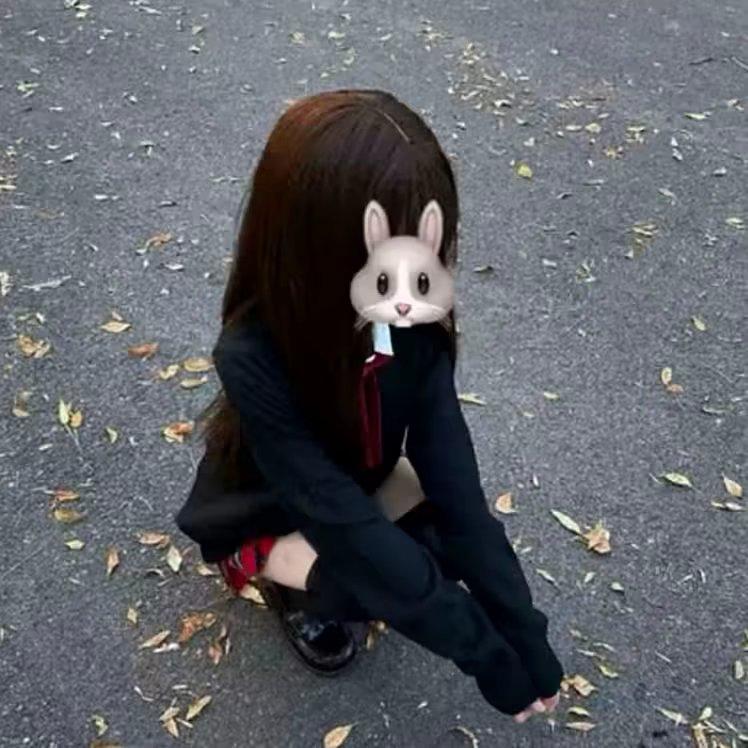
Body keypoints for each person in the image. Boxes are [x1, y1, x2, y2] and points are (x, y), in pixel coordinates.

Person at [175, 89, 563, 723]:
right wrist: (483, 653)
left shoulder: (413, 320)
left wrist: (525, 633)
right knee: (361, 583)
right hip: (273, 504)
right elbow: (338, 518)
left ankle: (353, 573)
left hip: (359, 472)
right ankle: (276, 576)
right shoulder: (252, 352)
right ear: (320, 250)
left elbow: (459, 489)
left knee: (434, 551)